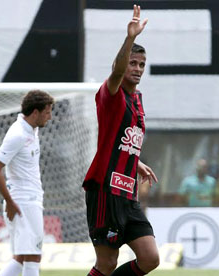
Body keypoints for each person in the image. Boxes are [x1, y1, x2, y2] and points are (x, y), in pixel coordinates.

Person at [82, 5, 159, 276]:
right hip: (105, 190)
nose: (137, 69)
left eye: (141, 65)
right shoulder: (111, 94)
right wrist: (129, 38)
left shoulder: (137, 99)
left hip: (128, 193)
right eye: (132, 63)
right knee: (106, 263)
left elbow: (123, 140)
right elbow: (115, 74)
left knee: (150, 258)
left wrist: (135, 163)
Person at [0, 90, 54, 276]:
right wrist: (10, 201)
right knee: (33, 257)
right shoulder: (17, 134)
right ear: (35, 113)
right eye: (47, 112)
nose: (50, 116)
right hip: (23, 202)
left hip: (27, 200)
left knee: (21, 258)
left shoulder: (32, 128)